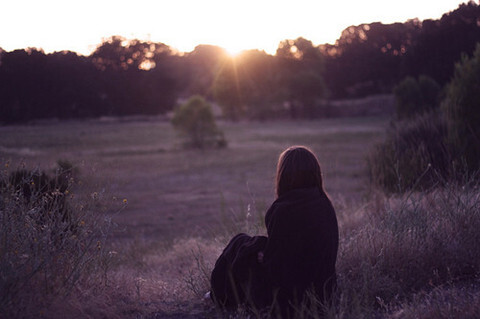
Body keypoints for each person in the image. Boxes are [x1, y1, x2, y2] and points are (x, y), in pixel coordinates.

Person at [210, 146, 339, 318]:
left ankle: (219, 298)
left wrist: (265, 256)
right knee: (249, 244)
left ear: (284, 176)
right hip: (324, 296)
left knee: (240, 245)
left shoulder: (283, 209)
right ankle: (221, 296)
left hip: (291, 303)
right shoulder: (325, 204)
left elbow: (279, 272)